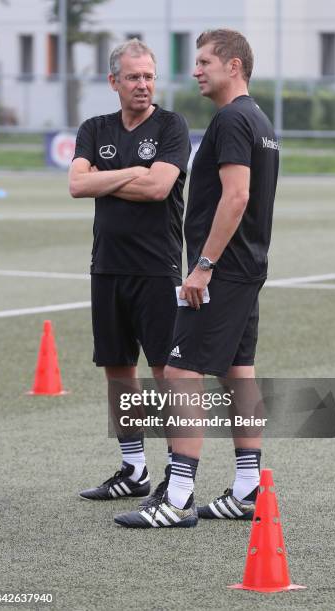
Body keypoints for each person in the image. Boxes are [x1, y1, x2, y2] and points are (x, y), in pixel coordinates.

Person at [114, 29, 279, 528]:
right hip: (248, 266)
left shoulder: (231, 118)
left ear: (233, 66)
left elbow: (237, 197)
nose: (196, 70)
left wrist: (202, 267)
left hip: (224, 269)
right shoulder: (260, 119)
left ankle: (179, 495)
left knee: (183, 374)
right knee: (238, 370)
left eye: (205, 61)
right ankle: (249, 488)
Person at [69, 39, 191, 502]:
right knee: (118, 371)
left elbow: (160, 187)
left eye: (149, 76)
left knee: (165, 371)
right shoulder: (93, 126)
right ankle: (134, 468)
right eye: (134, 77)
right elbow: (77, 184)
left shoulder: (171, 125)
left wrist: (110, 173)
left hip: (157, 267)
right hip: (107, 267)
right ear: (113, 81)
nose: (143, 85)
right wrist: (132, 171)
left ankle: (178, 477)